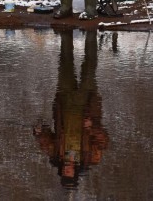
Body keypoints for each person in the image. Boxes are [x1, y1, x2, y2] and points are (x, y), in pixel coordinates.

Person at [33, 29, 109, 188]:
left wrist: (39, 132)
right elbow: (103, 140)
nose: (67, 168)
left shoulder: (56, 154)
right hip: (87, 105)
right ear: (75, 173)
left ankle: (66, 34)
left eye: (65, 171)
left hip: (64, 103)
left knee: (65, 65)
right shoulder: (91, 158)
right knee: (89, 67)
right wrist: (92, 127)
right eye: (69, 172)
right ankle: (91, 35)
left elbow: (46, 142)